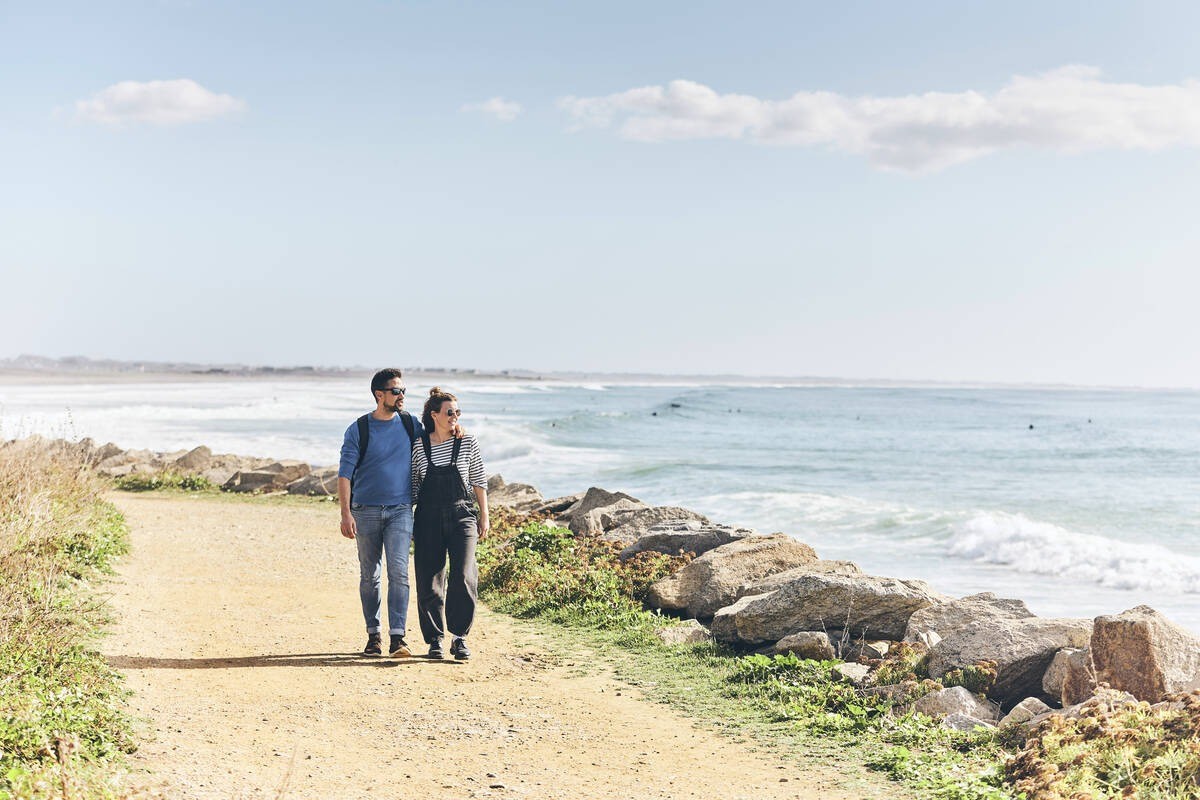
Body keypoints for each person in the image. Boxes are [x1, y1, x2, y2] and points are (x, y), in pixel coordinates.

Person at [338, 368, 424, 658]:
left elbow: (436, 442)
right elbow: (344, 475)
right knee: (370, 575)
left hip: (401, 509)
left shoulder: (411, 424)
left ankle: (398, 638)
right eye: (396, 391)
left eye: (403, 391)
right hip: (364, 511)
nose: (402, 396)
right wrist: (345, 514)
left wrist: (456, 430)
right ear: (379, 394)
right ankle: (373, 636)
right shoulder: (359, 429)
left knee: (399, 572)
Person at [411, 387, 489, 660]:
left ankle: (459, 637)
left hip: (462, 515)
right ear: (434, 415)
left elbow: (479, 480)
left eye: (457, 411)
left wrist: (484, 516)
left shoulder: (467, 441)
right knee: (429, 579)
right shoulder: (419, 444)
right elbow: (414, 485)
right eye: (449, 412)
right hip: (427, 517)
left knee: (464, 575)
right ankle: (435, 640)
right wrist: (405, 520)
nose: (455, 416)